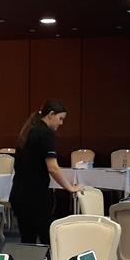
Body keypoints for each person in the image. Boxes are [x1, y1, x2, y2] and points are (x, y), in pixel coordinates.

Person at [10, 100, 80, 244]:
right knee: (47, 241)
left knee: (27, 241)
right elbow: (53, 167)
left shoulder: (28, 131)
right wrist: (70, 187)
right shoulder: (46, 133)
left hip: (19, 194)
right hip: (36, 196)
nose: (61, 123)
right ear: (51, 114)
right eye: (60, 118)